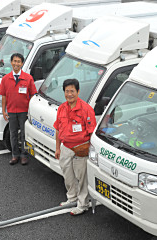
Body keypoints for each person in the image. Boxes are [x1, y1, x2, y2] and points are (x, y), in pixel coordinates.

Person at [54, 79, 97, 216]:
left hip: (80, 148)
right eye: (67, 91)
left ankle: (83, 204)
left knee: (81, 177)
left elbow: (92, 133)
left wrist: (88, 150)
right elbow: (57, 129)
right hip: (65, 147)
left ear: (78, 92)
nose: (69, 94)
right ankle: (71, 198)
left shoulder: (86, 109)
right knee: (68, 175)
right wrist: (58, 148)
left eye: (72, 91)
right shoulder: (62, 108)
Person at [0, 53, 37, 165]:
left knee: (24, 134)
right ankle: (15, 155)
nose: (16, 63)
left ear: (22, 63)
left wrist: (31, 112)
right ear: (11, 62)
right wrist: (4, 111)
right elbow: (3, 96)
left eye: (18, 61)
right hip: (11, 111)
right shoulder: (6, 79)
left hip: (24, 111)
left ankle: (24, 155)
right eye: (14, 61)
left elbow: (33, 95)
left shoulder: (28, 78)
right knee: (13, 134)